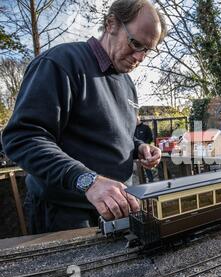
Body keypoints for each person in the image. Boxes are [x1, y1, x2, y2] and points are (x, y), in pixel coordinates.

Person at [1, 0, 166, 234]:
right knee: (74, 272)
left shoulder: (128, 84)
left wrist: (139, 148)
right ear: (111, 24)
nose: (139, 57)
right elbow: (23, 138)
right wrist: (87, 180)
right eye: (135, 43)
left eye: (147, 50)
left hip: (118, 206)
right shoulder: (61, 63)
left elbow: (116, 135)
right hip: (66, 212)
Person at [134, 114, 154, 182]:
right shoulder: (132, 129)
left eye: (136, 117)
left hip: (145, 152)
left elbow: (150, 138)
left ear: (139, 117)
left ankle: (151, 181)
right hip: (135, 153)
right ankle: (142, 182)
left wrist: (144, 145)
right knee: (139, 170)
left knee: (147, 168)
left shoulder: (146, 127)